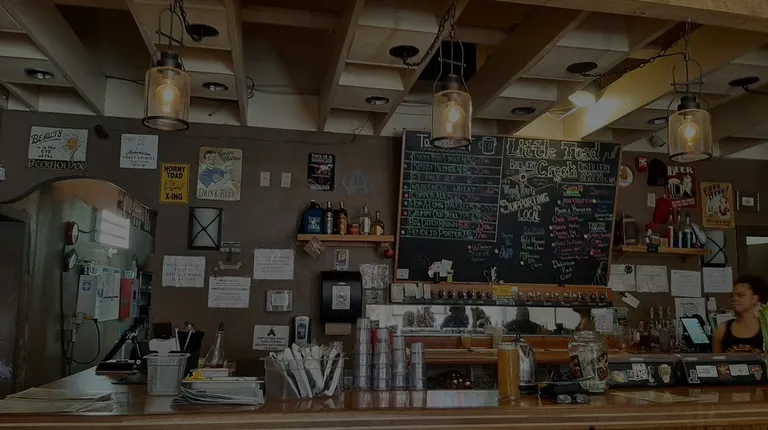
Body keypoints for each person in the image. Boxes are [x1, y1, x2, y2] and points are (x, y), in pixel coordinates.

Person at [713, 275, 768, 354]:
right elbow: (716, 360)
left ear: (755, 298)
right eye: (732, 296)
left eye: (741, 295)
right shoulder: (722, 330)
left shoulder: (765, 328)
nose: (734, 299)